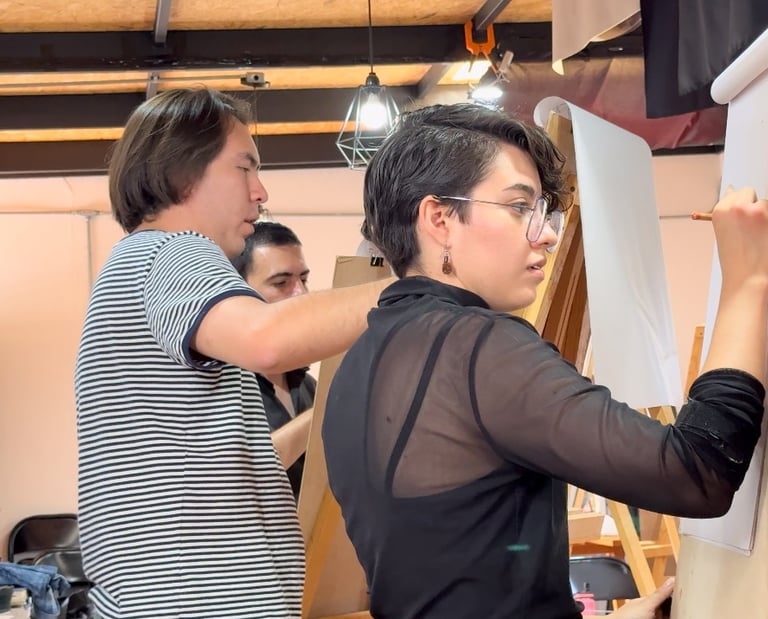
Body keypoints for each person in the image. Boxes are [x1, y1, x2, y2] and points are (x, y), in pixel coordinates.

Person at [322, 103, 768, 619]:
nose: (547, 234)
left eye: (542, 212)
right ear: (440, 219)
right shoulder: (477, 344)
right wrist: (746, 283)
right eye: (519, 207)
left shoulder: (358, 363)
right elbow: (699, 471)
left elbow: (453, 568)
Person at [74, 87, 390, 619]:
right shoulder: (173, 251)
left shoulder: (137, 263)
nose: (260, 192)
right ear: (182, 174)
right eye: (244, 168)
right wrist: (419, 288)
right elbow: (266, 340)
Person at [231, 221, 316, 499]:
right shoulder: (222, 387)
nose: (300, 294)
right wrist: (327, 409)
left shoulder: (307, 385)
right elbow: (247, 474)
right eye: (281, 283)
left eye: (303, 280)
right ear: (239, 290)